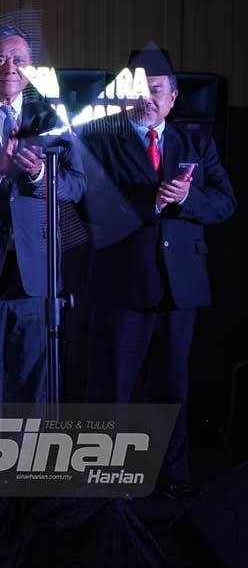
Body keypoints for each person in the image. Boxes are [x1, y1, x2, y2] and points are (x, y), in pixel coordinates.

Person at [81, 49, 235, 499]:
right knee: (116, 386)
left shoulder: (196, 144)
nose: (148, 98)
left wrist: (186, 201)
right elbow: (86, 207)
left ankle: (173, 471)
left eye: (157, 90)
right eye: (138, 90)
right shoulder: (99, 141)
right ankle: (112, 472)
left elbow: (226, 204)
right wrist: (148, 203)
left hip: (181, 286)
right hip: (125, 283)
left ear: (173, 97)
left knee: (173, 386)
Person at [0, 26, 86, 499]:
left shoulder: (54, 116)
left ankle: (29, 472)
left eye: (19, 59)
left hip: (36, 266)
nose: (9, 68)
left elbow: (77, 185)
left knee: (35, 378)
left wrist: (42, 176)